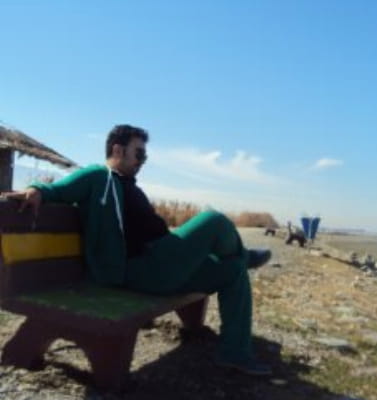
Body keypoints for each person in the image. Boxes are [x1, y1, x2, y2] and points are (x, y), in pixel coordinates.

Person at [2, 124, 272, 375]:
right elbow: (58, 190)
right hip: (141, 268)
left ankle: (235, 352)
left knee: (232, 270)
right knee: (213, 220)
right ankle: (244, 255)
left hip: (163, 263)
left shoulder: (131, 187)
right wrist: (35, 190)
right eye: (139, 154)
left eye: (145, 156)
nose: (143, 161)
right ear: (118, 150)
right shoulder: (99, 176)